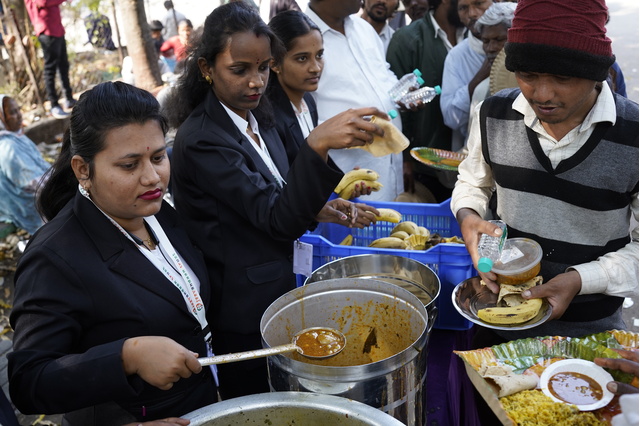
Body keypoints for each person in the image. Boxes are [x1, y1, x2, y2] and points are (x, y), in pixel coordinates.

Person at [166, 2, 383, 400]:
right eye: (240, 70)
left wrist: (318, 207)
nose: (256, 82)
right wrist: (317, 143)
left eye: (264, 67)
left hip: (276, 288)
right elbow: (274, 216)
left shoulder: (257, 116)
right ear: (206, 68)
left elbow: (277, 191)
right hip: (241, 307)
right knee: (255, 400)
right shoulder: (202, 139)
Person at [7, 82, 218, 424]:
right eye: (129, 165)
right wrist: (125, 357)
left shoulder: (158, 212)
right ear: (83, 169)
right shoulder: (54, 257)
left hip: (202, 401)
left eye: (158, 157)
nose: (152, 178)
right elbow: (29, 381)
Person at [452, 0, 638, 345]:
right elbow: (473, 181)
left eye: (562, 78)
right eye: (527, 76)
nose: (542, 94)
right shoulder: (492, 115)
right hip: (499, 329)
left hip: (592, 338)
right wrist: (468, 215)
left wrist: (581, 279)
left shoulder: (634, 136)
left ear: (597, 71)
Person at [305, 0, 404, 202]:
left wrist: (401, 94)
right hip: (345, 179)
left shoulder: (364, 28)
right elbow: (292, 113)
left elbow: (383, 72)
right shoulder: (300, 39)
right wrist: (332, 132)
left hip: (387, 171)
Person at [386, 0, 465, 201]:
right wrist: (405, 159)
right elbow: (396, 105)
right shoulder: (407, 39)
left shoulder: (476, 36)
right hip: (425, 168)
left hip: (469, 166)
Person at [440, 0, 501, 152]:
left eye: (479, 3)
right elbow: (451, 118)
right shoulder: (456, 56)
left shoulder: (523, 47)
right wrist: (479, 78)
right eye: (463, 8)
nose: (472, 13)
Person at [465, 2, 517, 141]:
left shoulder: (537, 86)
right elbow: (474, 147)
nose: (490, 48)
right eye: (486, 41)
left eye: (499, 40)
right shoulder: (481, 91)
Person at [0, 94, 50, 234]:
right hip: (28, 206)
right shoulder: (8, 147)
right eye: (13, 112)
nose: (19, 115)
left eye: (18, 110)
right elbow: (36, 184)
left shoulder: (15, 137)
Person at [24, 0, 76, 119]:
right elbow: (43, 2)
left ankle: (69, 98)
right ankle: (54, 105)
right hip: (46, 29)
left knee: (64, 66)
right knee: (50, 69)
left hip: (57, 29)